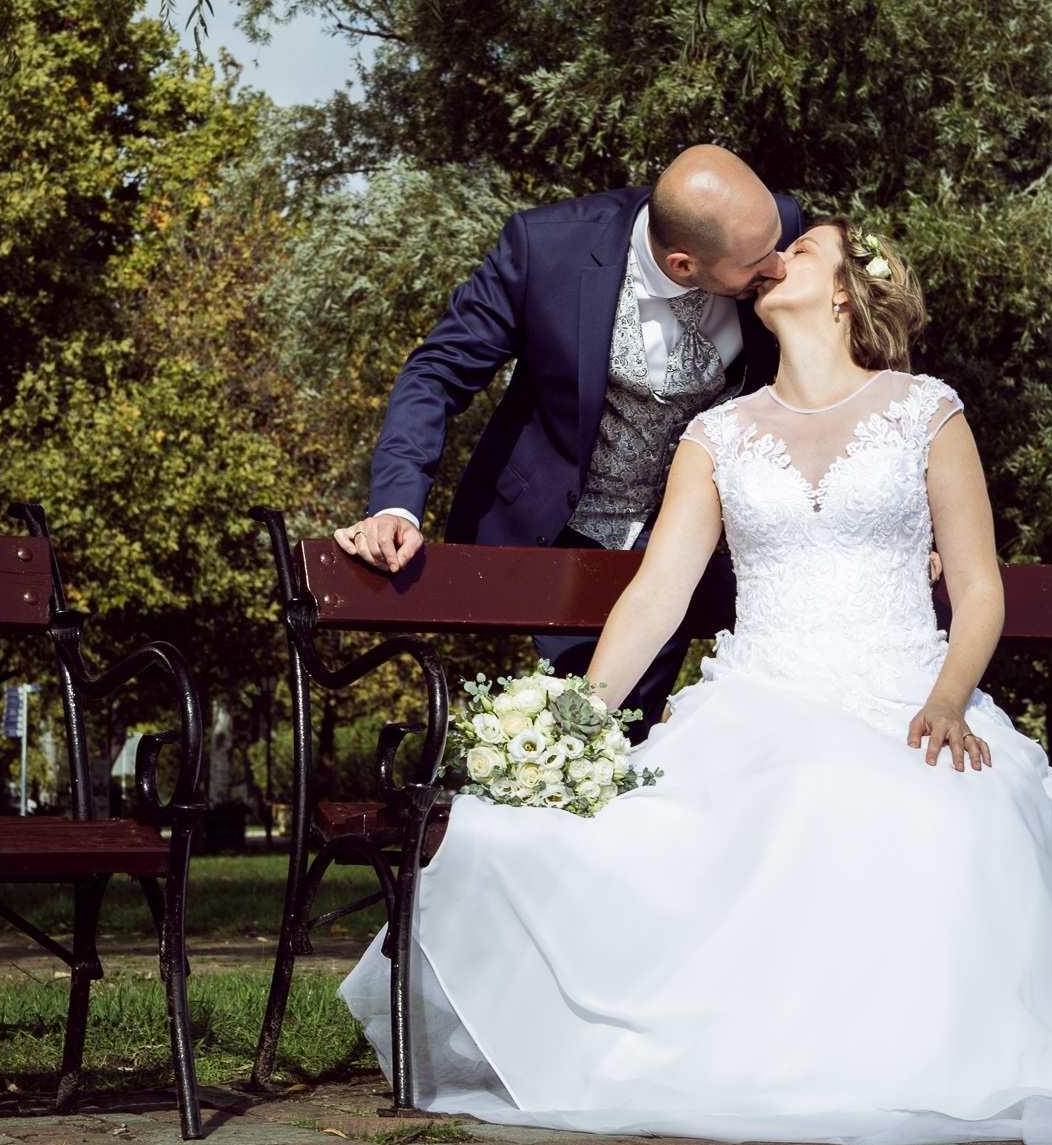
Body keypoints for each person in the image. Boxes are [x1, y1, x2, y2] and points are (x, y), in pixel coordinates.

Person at [337, 219, 1052, 1145]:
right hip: (759, 696)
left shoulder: (926, 412)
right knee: (716, 815)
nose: (776, 256)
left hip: (907, 692)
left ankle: (920, 1053)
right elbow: (657, 595)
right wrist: (579, 718)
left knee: (948, 818)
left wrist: (948, 698)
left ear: (848, 292)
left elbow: (979, 589)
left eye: (803, 248)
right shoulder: (716, 435)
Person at [333, 146, 800, 735]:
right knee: (599, 728)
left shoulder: (771, 230)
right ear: (682, 265)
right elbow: (438, 372)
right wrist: (395, 505)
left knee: (635, 729)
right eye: (759, 263)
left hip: (692, 542)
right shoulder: (546, 248)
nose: (779, 266)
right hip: (562, 532)